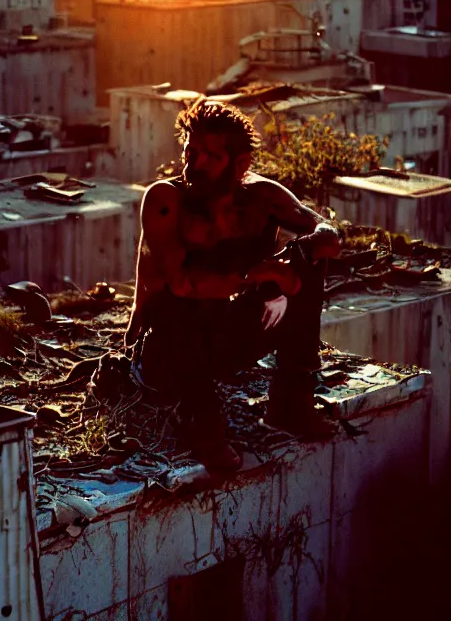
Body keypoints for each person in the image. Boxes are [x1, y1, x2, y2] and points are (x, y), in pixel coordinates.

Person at [125, 99, 341, 471]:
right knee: (173, 302)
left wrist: (310, 246)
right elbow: (179, 284)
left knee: (307, 260)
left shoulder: (261, 198)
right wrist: (255, 275)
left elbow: (325, 233)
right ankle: (203, 424)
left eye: (212, 156)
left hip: (226, 339)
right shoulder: (165, 201)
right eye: (191, 151)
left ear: (240, 165)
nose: (196, 164)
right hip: (168, 353)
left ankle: (291, 399)